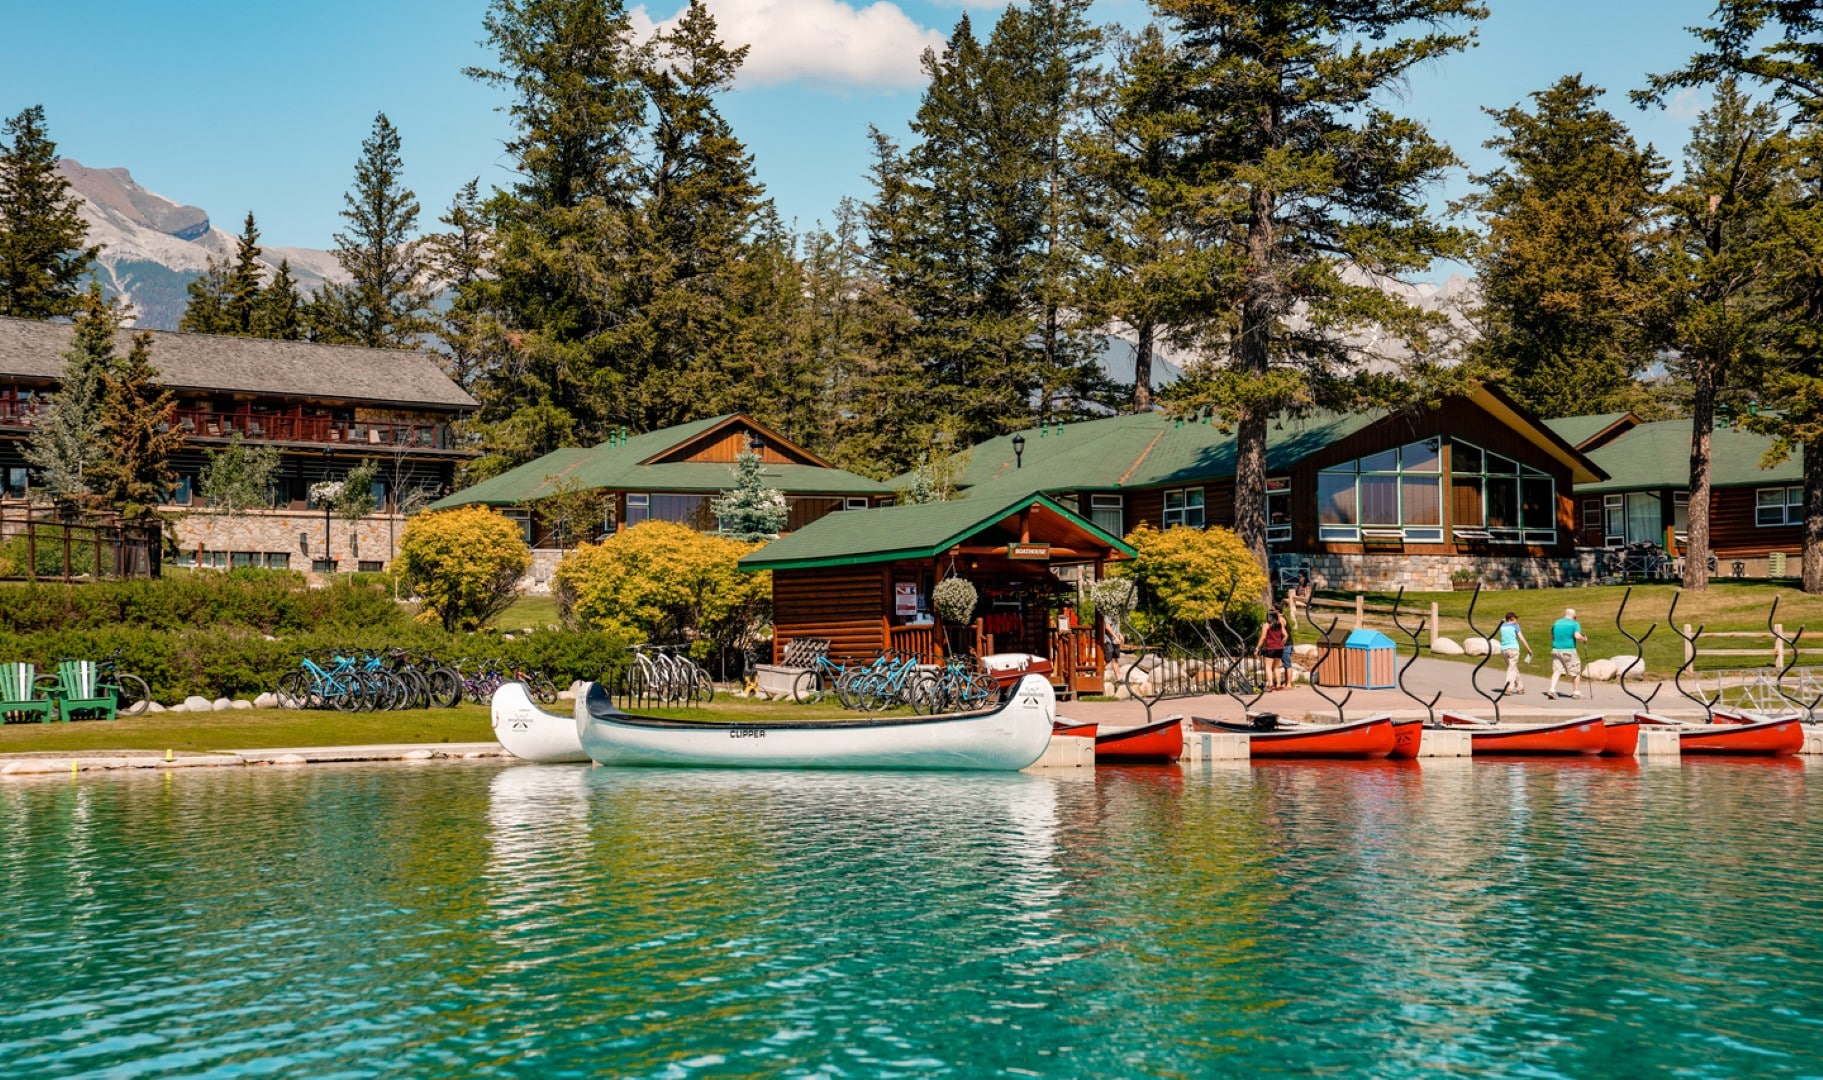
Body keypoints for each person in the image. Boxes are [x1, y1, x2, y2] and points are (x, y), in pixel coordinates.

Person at [1545, 607, 1587, 700]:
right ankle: (1576, 693)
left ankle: (1552, 690)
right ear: (1573, 615)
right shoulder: (1575, 623)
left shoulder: (1556, 623)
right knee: (1575, 671)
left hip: (1556, 650)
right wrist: (1583, 638)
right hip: (1569, 650)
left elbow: (1552, 636)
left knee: (1557, 671)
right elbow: (1577, 636)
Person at [1497, 612, 1533, 695]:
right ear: (1512, 619)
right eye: (1515, 619)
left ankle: (1520, 688)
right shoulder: (1515, 626)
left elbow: (1502, 620)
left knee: (1513, 668)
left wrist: (1505, 620)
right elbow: (1522, 639)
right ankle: (1508, 688)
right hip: (1513, 649)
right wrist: (1528, 649)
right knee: (1511, 669)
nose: (1516, 620)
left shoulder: (1502, 626)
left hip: (1504, 650)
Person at [1257, 608, 1291, 691]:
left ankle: (1270, 685)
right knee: (1276, 667)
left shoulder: (1267, 625)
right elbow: (1286, 635)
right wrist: (1282, 643)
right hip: (1279, 648)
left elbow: (1263, 637)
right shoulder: (1279, 624)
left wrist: (1257, 648)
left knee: (1268, 667)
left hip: (1270, 648)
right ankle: (1278, 685)